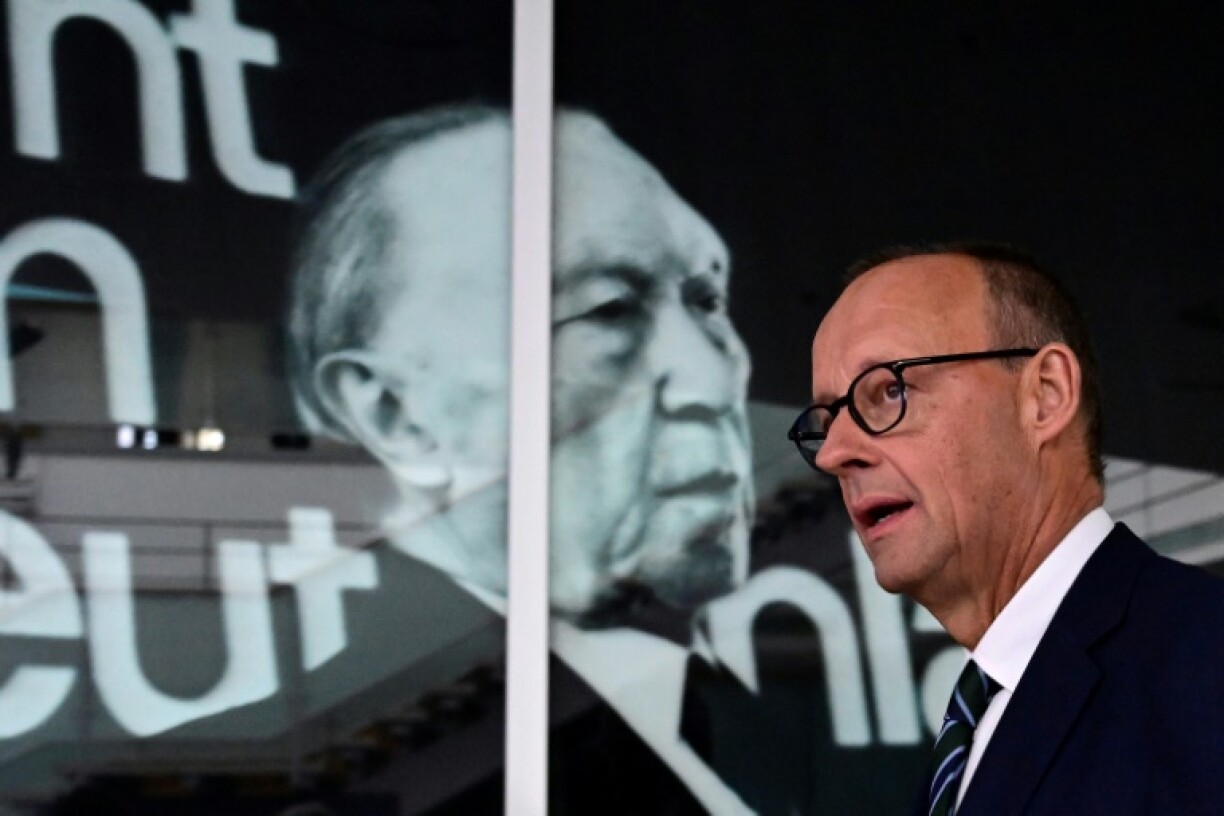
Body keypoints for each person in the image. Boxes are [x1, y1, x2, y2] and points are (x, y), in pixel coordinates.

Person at [287, 104, 756, 813]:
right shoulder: (350, 773)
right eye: (607, 309)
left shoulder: (712, 712)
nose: (714, 380)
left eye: (707, 298)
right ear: (394, 411)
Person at [788, 241, 1224, 815]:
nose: (834, 453)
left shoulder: (1205, 664)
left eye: (890, 390)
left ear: (1045, 396)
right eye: (827, 422)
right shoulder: (975, 729)